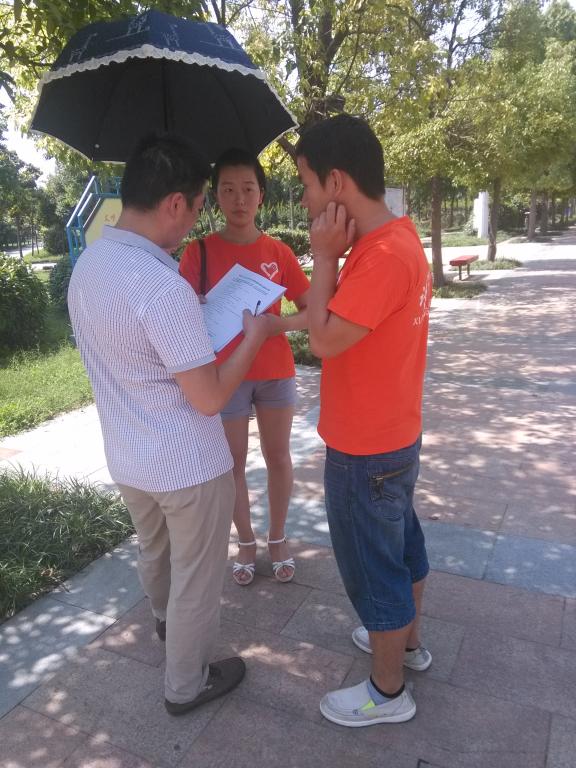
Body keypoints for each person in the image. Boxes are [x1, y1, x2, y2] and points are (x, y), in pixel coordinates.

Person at [67, 134, 272, 716]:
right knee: (196, 581)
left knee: (155, 554)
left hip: (128, 457)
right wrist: (253, 336)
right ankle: (185, 685)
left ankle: (163, 624)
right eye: (201, 205)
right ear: (175, 203)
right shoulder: (162, 286)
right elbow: (209, 398)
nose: (197, 220)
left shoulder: (89, 265)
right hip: (188, 468)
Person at [295, 114, 432, 727]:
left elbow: (324, 340)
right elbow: (340, 322)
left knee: (376, 572)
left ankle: (387, 691)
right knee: (402, 550)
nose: (304, 201)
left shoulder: (379, 258)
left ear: (336, 182)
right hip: (394, 436)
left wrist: (323, 254)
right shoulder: (397, 240)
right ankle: (407, 645)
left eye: (306, 185)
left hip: (365, 451)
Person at [179, 148, 310, 586]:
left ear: (262, 195)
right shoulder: (198, 253)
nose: (239, 199)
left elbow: (312, 311)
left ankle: (278, 538)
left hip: (274, 371)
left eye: (248, 189)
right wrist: (193, 305)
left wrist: (276, 325)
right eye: (229, 190)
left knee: (278, 456)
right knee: (233, 462)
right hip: (225, 376)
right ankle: (246, 542)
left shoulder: (279, 252)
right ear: (215, 196)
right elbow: (179, 314)